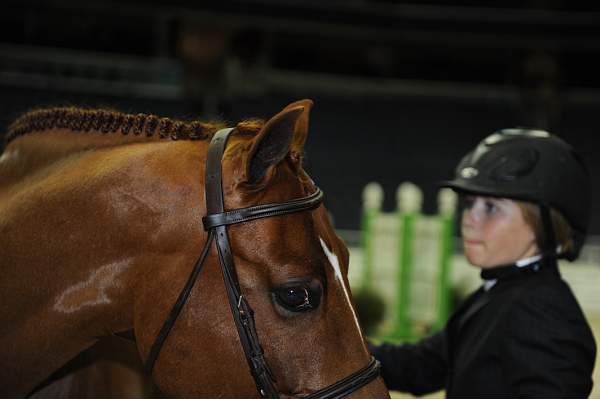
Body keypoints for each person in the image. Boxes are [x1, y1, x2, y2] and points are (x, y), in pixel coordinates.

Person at [369, 128, 597, 398]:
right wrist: (329, 345)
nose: (468, 218)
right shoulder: (498, 294)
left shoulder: (543, 311)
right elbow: (419, 367)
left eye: (491, 207)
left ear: (542, 225)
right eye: (470, 203)